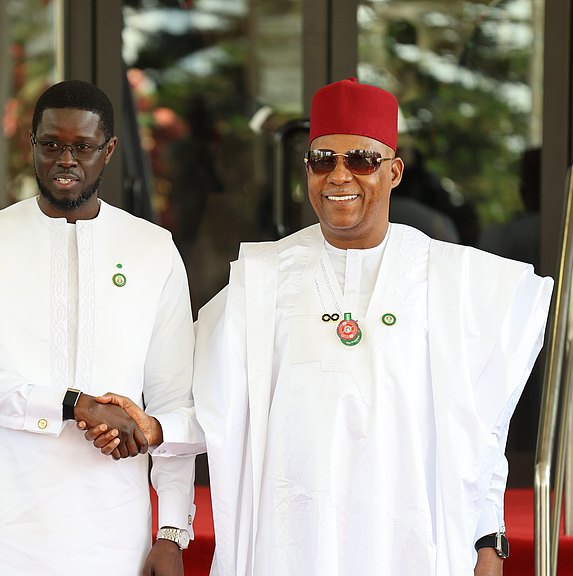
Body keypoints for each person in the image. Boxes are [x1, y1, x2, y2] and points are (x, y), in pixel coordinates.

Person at [189, 77, 553, 575]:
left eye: (360, 159)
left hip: (409, 543)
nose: (340, 175)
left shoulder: (448, 279)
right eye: (323, 160)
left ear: (394, 172)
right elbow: (201, 403)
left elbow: (480, 428)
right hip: (294, 540)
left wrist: (489, 537)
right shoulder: (265, 277)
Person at [0, 80, 203, 576]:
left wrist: (171, 534)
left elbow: (172, 402)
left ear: (109, 151)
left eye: (82, 146)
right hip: (4, 532)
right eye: (51, 144)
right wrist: (71, 404)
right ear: (31, 144)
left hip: (115, 534)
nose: (65, 159)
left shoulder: (153, 250)